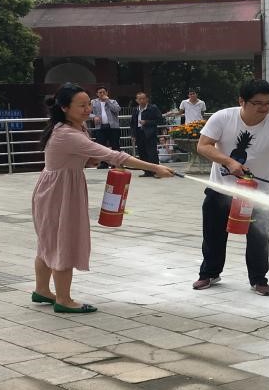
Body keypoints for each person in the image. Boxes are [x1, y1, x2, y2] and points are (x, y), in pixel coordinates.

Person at [31, 83, 174, 313]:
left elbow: (86, 156)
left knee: (48, 242)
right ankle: (63, 300)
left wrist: (88, 160)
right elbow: (114, 155)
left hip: (57, 187)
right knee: (62, 242)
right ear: (65, 108)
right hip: (59, 192)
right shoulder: (67, 133)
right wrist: (154, 167)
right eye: (82, 105)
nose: (88, 109)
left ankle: (42, 290)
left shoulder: (73, 127)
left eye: (89, 104)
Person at [193, 79, 269, 296]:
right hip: (221, 189)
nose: (264, 108)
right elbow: (203, 146)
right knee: (213, 234)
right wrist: (229, 162)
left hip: (258, 193)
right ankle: (209, 273)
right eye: (258, 103)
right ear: (242, 101)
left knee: (259, 238)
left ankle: (258, 279)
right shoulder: (223, 117)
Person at [131, 92, 164, 177]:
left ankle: (156, 171)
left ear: (147, 99)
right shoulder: (135, 109)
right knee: (142, 152)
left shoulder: (153, 108)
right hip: (139, 133)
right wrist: (133, 135)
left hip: (150, 133)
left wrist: (146, 122)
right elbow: (133, 123)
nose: (141, 100)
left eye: (143, 98)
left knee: (152, 153)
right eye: (139, 99)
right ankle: (147, 171)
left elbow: (160, 120)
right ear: (137, 100)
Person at [90, 87, 121, 170]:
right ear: (97, 94)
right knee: (101, 146)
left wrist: (107, 101)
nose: (102, 94)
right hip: (100, 127)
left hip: (113, 126)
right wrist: (93, 117)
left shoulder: (113, 101)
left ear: (107, 93)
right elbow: (87, 112)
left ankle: (116, 163)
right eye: (100, 92)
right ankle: (104, 163)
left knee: (115, 145)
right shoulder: (93, 102)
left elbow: (117, 110)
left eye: (104, 92)